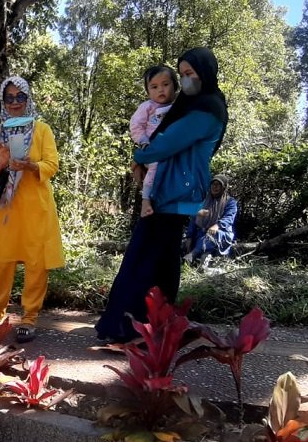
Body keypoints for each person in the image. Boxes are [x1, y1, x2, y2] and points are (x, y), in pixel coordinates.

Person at [95, 47, 229, 344]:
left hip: (176, 192)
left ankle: (133, 328)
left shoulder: (207, 109)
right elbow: (160, 135)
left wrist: (139, 156)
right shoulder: (189, 105)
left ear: (205, 72)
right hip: (167, 190)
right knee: (158, 260)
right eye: (182, 74)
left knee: (148, 260)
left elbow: (166, 144)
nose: (185, 80)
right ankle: (147, 327)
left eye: (190, 73)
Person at [0, 76, 64, 343]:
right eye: (9, 98)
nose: (15, 102)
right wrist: (2, 163)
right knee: (4, 261)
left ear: (28, 99)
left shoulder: (42, 130)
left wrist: (29, 165)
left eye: (20, 97)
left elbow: (52, 164)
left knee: (36, 263)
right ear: (3, 101)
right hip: (7, 208)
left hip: (37, 207)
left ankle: (29, 318)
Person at [130, 65, 178, 218]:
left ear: (175, 86)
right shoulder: (147, 107)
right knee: (155, 168)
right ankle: (146, 201)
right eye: (154, 87)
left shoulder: (178, 107)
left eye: (165, 84)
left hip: (170, 151)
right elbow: (136, 126)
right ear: (148, 91)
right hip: (152, 149)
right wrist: (143, 141)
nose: (161, 90)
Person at [184, 174, 238, 264]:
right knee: (184, 243)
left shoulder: (230, 202)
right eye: (213, 184)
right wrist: (189, 237)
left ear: (224, 187)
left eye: (218, 185)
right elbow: (194, 219)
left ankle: (193, 254)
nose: (214, 187)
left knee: (213, 236)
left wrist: (217, 225)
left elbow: (229, 218)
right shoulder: (204, 201)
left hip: (221, 234)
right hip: (202, 233)